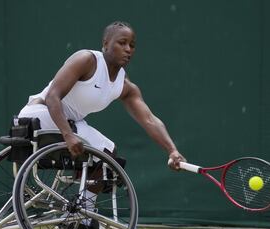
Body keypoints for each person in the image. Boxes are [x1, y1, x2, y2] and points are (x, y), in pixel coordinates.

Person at [18, 21, 186, 170]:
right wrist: (68, 134)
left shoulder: (125, 86)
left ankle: (82, 205)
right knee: (104, 154)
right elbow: (52, 97)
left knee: (109, 154)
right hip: (38, 115)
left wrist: (172, 150)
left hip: (70, 124)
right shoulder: (87, 60)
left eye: (132, 45)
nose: (128, 49)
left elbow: (149, 119)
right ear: (105, 44)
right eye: (122, 43)